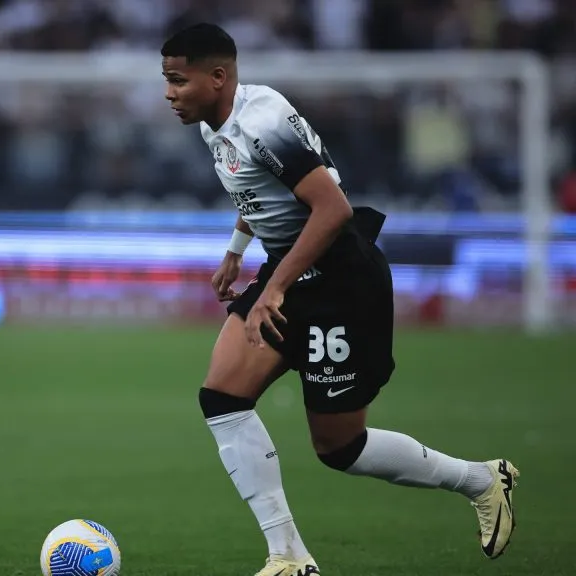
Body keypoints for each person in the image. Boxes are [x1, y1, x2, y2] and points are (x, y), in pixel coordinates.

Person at [160, 23, 519, 576]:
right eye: (167, 80)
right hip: (293, 268)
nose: (169, 93)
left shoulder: (261, 122)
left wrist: (273, 287)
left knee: (338, 447)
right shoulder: (218, 118)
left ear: (218, 76)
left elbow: (333, 209)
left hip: (342, 281)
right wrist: (237, 248)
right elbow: (259, 189)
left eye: (178, 80)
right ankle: (288, 557)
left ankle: (480, 479)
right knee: (222, 397)